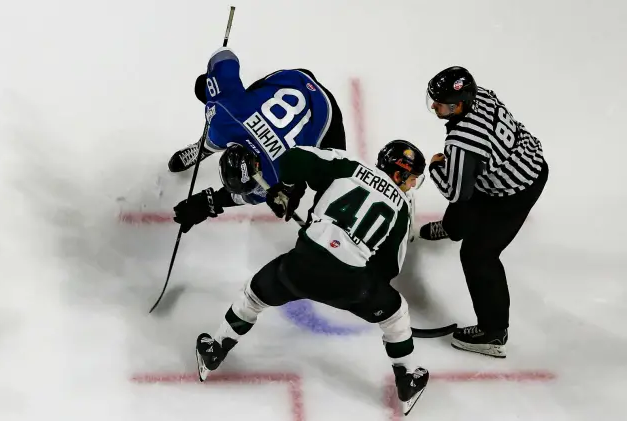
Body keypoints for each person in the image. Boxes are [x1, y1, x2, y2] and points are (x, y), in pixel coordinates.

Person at [185, 140, 429, 416]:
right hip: (352, 284)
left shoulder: (348, 166)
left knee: (254, 296)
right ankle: (406, 380)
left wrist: (288, 189)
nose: (411, 185)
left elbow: (294, 158)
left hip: (300, 268)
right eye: (412, 179)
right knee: (396, 314)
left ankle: (215, 349)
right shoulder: (402, 209)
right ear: (399, 174)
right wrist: (359, 278)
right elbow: (390, 268)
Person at [419, 66, 549, 358]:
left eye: (439, 102)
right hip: (515, 165)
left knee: (478, 255)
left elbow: (456, 192)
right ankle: (454, 228)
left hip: (516, 190)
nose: (434, 106)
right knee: (471, 189)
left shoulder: (464, 141)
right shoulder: (483, 96)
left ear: (459, 104)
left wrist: (436, 165)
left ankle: (493, 332)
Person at [166, 46, 346, 231]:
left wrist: (211, 202)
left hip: (324, 116)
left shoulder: (274, 176)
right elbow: (224, 55)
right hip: (293, 82)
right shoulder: (225, 117)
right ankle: (202, 148)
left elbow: (247, 195)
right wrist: (213, 87)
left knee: (330, 182)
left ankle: (319, 230)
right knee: (215, 108)